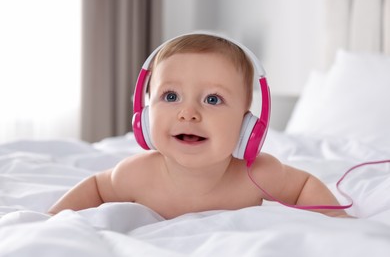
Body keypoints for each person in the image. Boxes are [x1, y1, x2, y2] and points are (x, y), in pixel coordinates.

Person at [48, 33, 349, 219]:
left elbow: (303, 186)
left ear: (247, 125)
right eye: (170, 96)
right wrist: (52, 217)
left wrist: (337, 222)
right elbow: (97, 188)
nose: (188, 113)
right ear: (145, 114)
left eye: (213, 99)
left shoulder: (256, 175)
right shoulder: (136, 174)